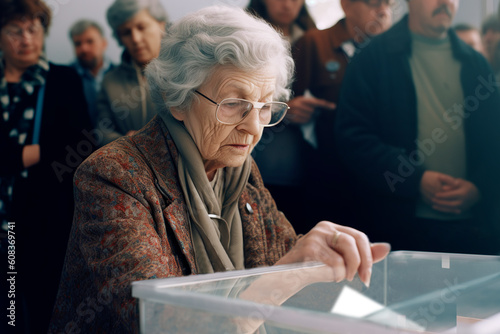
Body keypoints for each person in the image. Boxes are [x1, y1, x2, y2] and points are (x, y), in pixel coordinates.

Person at [49, 6, 390, 333]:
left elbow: (285, 257)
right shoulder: (113, 177)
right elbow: (159, 321)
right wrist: (292, 272)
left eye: (265, 106)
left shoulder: (240, 173)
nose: (254, 128)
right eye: (233, 104)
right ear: (177, 99)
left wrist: (334, 267)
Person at [335, 0, 500, 254]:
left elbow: (494, 142)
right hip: (398, 230)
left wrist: (478, 186)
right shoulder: (372, 58)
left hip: (472, 229)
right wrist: (415, 179)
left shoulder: (475, 64)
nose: (445, 2)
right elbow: (353, 139)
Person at [0, 0, 93, 333]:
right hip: (4, 217)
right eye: (15, 30)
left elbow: (82, 145)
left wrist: (16, 156)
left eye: (34, 28)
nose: (26, 38)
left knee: (44, 305)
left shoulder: (63, 80)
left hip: (45, 217)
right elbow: (43, 148)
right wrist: (26, 154)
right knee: (7, 309)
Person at [289, 0, 393, 233]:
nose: (384, 11)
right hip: (326, 182)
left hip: (382, 180)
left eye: (389, 4)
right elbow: (282, 103)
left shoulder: (394, 54)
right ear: (346, 5)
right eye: (374, 3)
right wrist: (288, 109)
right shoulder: (313, 43)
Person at [246, 0, 319, 231]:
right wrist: (284, 108)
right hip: (265, 161)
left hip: (308, 165)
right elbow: (237, 95)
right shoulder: (245, 36)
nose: (287, 4)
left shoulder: (314, 39)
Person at [96, 0, 167, 146]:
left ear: (161, 24)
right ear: (119, 39)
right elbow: (101, 132)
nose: (136, 38)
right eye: (126, 32)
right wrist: (126, 142)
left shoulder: (186, 69)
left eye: (142, 27)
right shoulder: (110, 81)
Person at [69, 19, 115, 126]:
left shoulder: (121, 75)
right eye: (78, 43)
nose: (84, 48)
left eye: (90, 41)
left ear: (104, 43)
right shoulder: (64, 79)